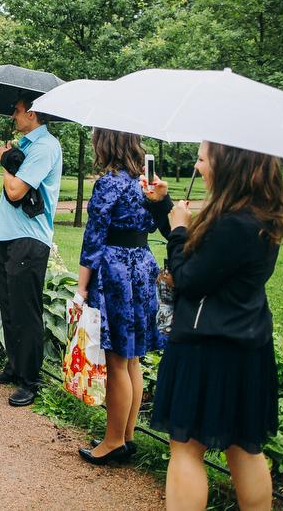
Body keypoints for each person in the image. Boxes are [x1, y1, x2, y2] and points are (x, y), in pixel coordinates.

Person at [148, 141, 283, 510]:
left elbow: (189, 276)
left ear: (229, 164)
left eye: (202, 159)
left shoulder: (232, 223)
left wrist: (179, 231)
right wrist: (166, 208)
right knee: (243, 448)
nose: (197, 167)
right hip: (247, 346)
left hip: (206, 348)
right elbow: (206, 258)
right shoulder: (257, 215)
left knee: (187, 449)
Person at [75, 129, 165, 465]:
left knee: (116, 360)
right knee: (132, 359)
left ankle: (113, 442)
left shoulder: (109, 182)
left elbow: (94, 237)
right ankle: (126, 435)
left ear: (106, 142)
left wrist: (82, 288)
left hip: (115, 270)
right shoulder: (146, 179)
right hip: (142, 265)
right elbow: (154, 225)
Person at [0, 94, 63, 407]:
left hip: (29, 239)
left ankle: (31, 379)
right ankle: (15, 366)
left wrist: (4, 160)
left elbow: (16, 190)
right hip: (10, 234)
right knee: (9, 304)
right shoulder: (27, 147)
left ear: (32, 113)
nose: (13, 116)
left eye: (16, 111)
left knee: (26, 310)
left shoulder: (45, 147)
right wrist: (9, 157)